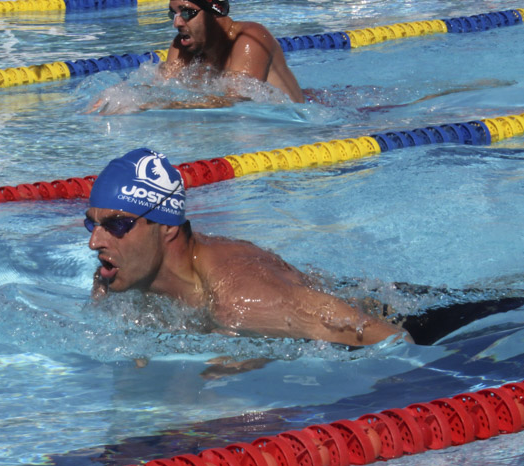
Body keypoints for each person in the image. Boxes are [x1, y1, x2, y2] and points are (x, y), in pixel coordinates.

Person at [84, 147, 405, 347]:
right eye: (92, 224)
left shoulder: (239, 301)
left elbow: (393, 340)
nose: (95, 242)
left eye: (117, 225)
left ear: (167, 227)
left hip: (406, 317)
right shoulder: (115, 280)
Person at [161, 0, 305, 103]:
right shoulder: (182, 46)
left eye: (187, 13)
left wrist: (170, 106)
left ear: (214, 12)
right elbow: (162, 90)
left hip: (297, 124)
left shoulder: (250, 39)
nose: (177, 23)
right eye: (173, 14)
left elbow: (236, 104)